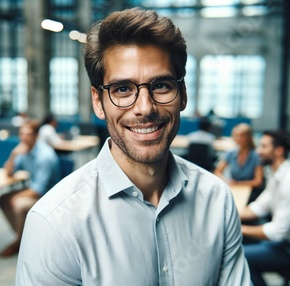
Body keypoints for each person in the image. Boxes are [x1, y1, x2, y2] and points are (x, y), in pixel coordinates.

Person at [16, 8, 250, 285]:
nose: (145, 108)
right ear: (97, 102)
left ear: (183, 95)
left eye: (161, 85)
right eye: (122, 89)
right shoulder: (53, 223)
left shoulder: (217, 201)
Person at [239, 130, 290, 286]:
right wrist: (226, 213)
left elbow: (278, 232)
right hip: (285, 241)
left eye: (263, 146)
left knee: (239, 257)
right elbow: (257, 209)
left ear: (279, 150)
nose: (258, 151)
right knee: (240, 246)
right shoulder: (277, 175)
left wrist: (238, 228)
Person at [0, 119, 61, 257]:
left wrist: (16, 197)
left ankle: (21, 242)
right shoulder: (24, 150)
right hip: (35, 189)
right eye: (21, 133)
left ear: (36, 136)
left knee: (19, 204)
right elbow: (8, 172)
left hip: (49, 195)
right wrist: (14, 154)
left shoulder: (45, 155)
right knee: (3, 199)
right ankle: (22, 240)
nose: (23, 137)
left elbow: (39, 189)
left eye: (28, 134)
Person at [214, 123, 263, 189]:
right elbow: (217, 172)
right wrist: (227, 182)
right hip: (233, 188)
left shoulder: (255, 155)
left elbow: (258, 181)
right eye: (236, 135)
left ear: (248, 137)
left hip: (249, 189)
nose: (239, 138)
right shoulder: (230, 153)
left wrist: (238, 183)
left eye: (242, 136)